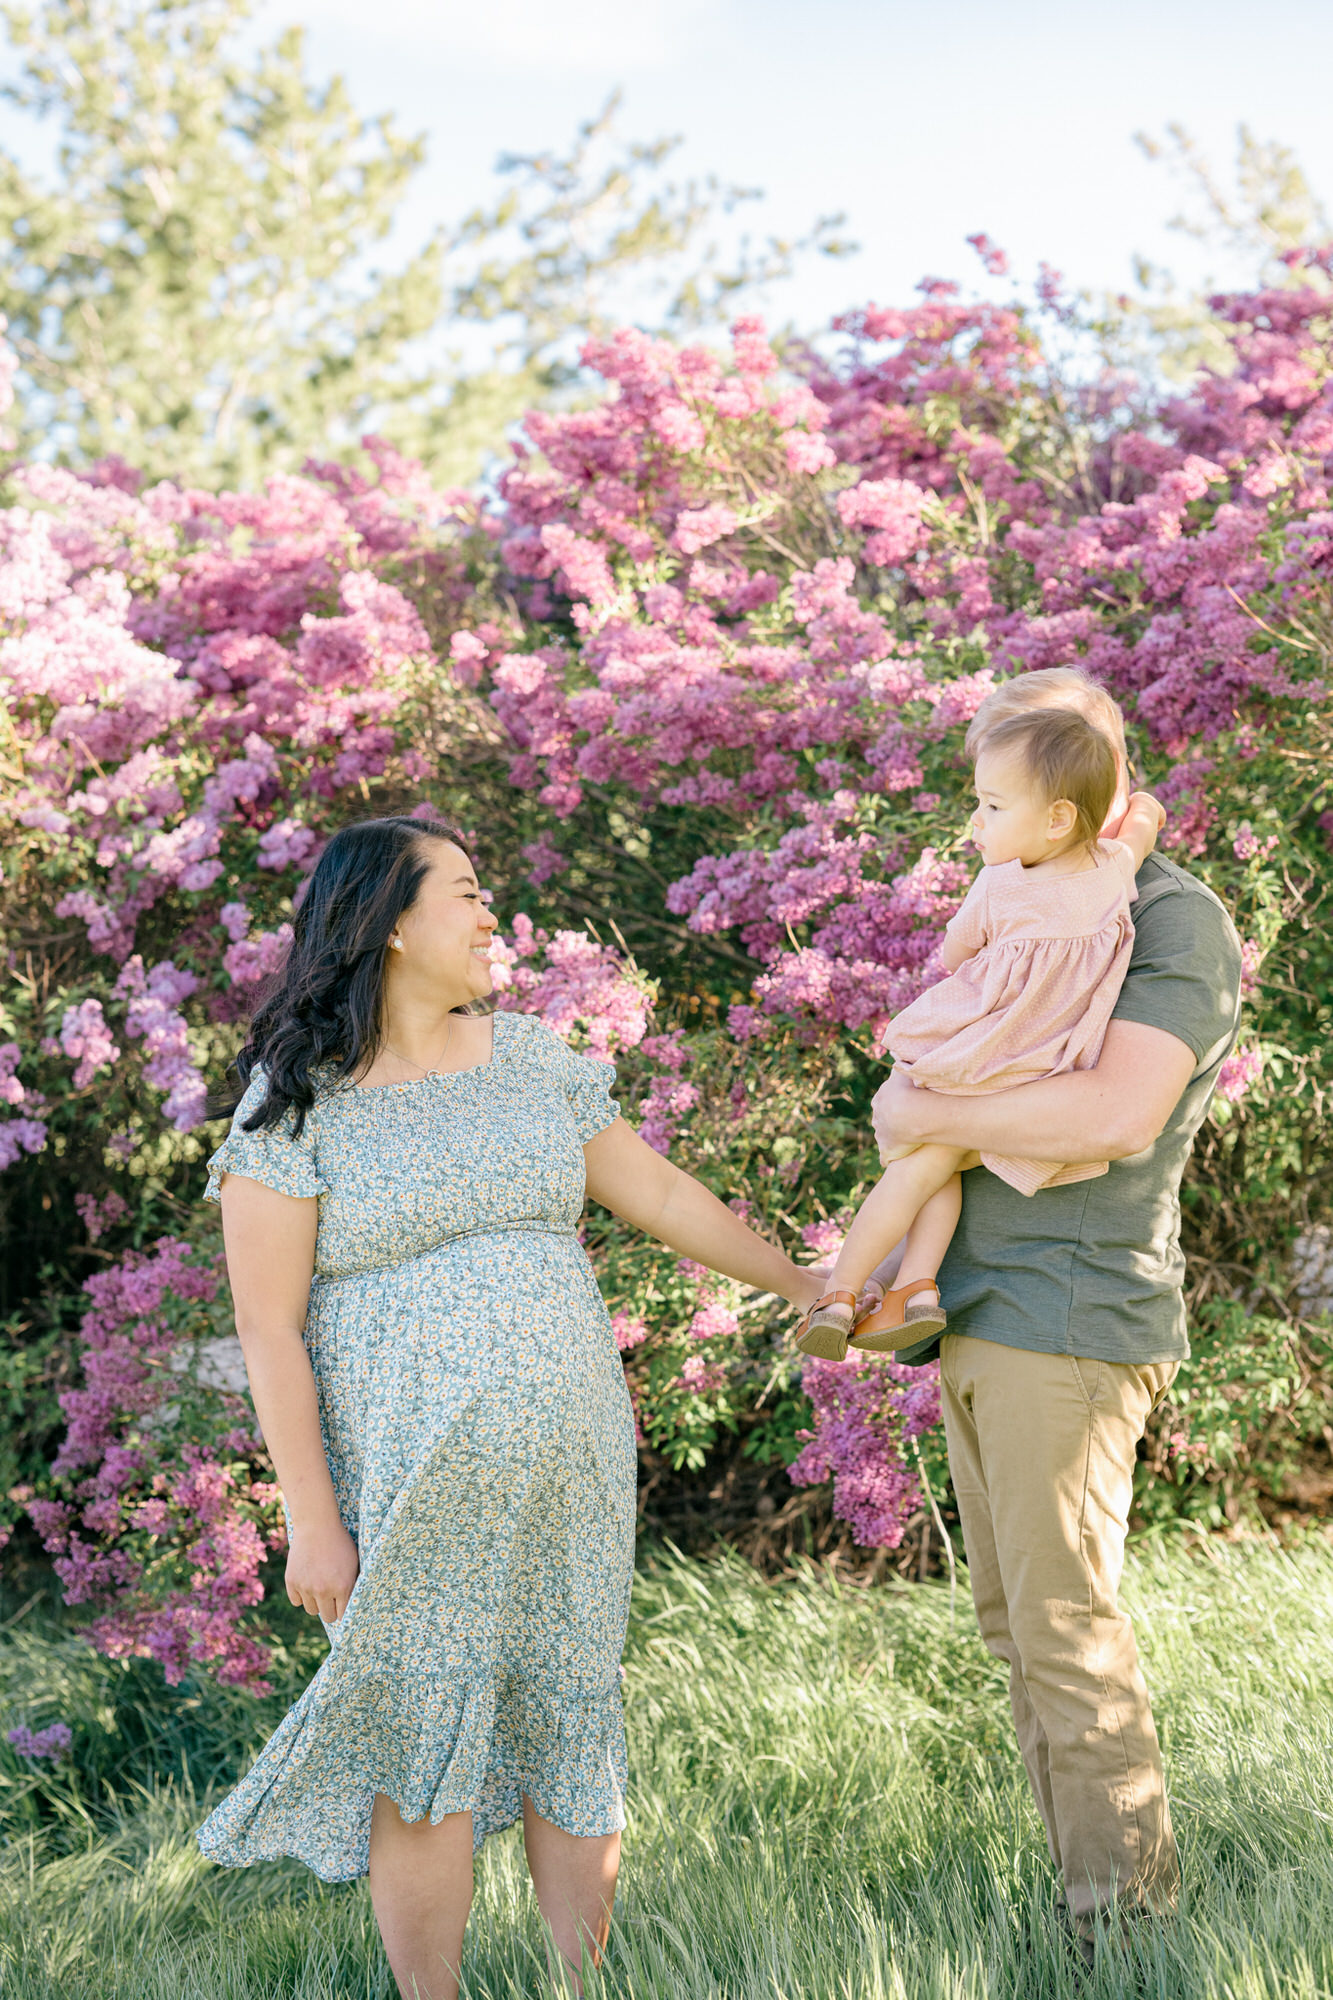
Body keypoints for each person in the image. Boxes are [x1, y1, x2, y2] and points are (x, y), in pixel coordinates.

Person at [196, 814, 823, 2000]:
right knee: (424, 1739)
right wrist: (310, 1519)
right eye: (469, 893)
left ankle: (579, 1988)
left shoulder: (531, 1057)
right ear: (387, 920)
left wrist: (801, 1280)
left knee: (569, 1714)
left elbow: (659, 1190)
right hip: (409, 1478)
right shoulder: (295, 1105)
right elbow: (268, 1328)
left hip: (571, 1454)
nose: (494, 917)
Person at [869, 666, 1242, 1954]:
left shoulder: (1168, 919)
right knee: (1019, 1631)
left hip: (1072, 1315)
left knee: (1065, 1632)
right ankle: (1089, 1908)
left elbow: (1110, 1115)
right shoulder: (1033, 902)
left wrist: (930, 1118)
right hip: (983, 1311)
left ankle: (1126, 1934)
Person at [794, 707, 1166, 1359]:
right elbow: (1141, 823)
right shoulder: (1112, 875)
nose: (976, 822)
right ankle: (917, 1289)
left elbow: (952, 956)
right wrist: (1143, 809)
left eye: (991, 807)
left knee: (911, 1171)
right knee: (941, 1163)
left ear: (1056, 818)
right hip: (1039, 1069)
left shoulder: (998, 885)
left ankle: (839, 1294)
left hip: (975, 1053)